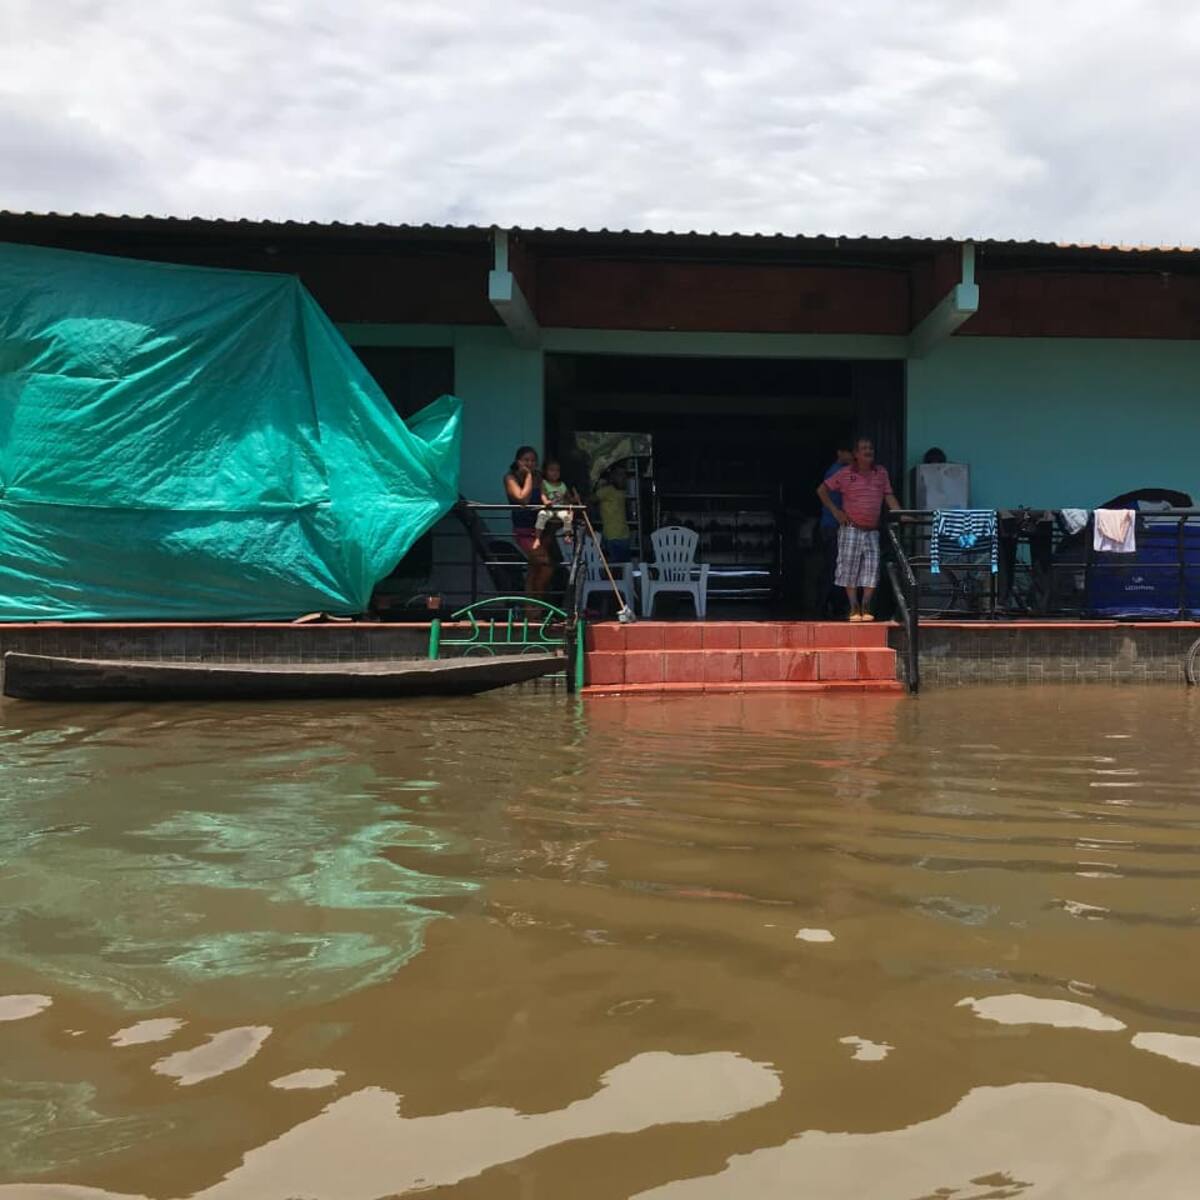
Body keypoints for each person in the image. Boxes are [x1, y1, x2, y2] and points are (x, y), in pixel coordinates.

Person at [816, 436, 900, 621]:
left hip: (872, 530)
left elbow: (889, 496)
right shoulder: (845, 473)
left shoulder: (881, 473)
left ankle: (866, 605)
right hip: (851, 529)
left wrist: (902, 514)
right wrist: (836, 512)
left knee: (871, 569)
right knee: (849, 568)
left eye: (870, 447)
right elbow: (821, 490)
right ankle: (854, 607)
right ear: (856, 454)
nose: (868, 451)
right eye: (863, 448)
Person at [503, 446, 553, 601]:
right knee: (546, 566)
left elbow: (547, 494)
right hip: (523, 530)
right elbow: (522, 499)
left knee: (534, 570)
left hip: (541, 529)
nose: (530, 463)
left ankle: (532, 608)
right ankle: (536, 600)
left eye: (533, 460)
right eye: (526, 460)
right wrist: (529, 477)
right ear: (518, 461)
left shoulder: (540, 476)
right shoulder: (510, 478)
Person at [819, 441, 854, 617]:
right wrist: (837, 512)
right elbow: (822, 492)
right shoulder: (838, 472)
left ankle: (830, 606)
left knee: (834, 567)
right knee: (835, 568)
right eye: (850, 452)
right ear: (840, 452)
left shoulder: (842, 471)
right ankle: (829, 606)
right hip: (833, 526)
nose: (852, 456)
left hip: (833, 526)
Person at [532, 458, 579, 553]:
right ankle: (537, 538)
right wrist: (546, 502)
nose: (555, 473)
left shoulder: (562, 485)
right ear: (546, 471)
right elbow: (543, 494)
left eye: (557, 470)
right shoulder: (544, 483)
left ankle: (567, 535)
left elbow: (569, 498)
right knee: (541, 514)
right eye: (551, 470)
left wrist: (575, 499)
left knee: (567, 515)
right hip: (549, 509)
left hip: (560, 509)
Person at [593, 465, 632, 563]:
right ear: (613, 476)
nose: (623, 477)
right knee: (616, 565)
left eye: (624, 475)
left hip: (624, 535)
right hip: (612, 535)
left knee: (624, 565)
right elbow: (591, 499)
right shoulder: (607, 490)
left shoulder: (621, 491)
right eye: (620, 474)